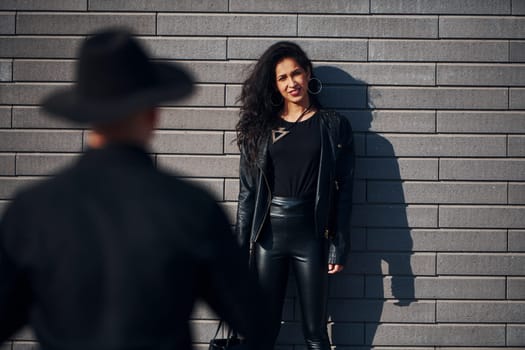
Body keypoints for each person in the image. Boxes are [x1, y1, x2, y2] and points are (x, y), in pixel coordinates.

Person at [0, 28, 264, 350]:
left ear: (85, 115)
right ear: (153, 114)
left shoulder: (32, 211)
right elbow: (253, 318)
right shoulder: (193, 207)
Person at [235, 42, 355, 350]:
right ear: (274, 85)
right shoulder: (261, 129)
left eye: (296, 73)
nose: (291, 83)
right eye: (282, 78)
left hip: (311, 236)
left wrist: (338, 246)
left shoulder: (333, 125)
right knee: (262, 331)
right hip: (268, 237)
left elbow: (345, 190)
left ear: (307, 73)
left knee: (315, 333)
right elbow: (248, 194)